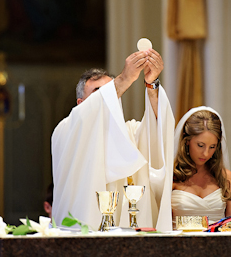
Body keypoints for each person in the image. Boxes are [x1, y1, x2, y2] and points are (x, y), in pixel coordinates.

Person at [52, 49, 174, 231]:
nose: (111, 97)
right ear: (81, 104)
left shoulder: (130, 131)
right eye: (99, 93)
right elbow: (88, 113)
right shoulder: (66, 128)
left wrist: (152, 86)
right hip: (82, 235)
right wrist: (124, 79)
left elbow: (158, 129)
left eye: (112, 92)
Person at [172, 107, 231, 226]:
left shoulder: (225, 177)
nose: (206, 153)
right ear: (186, 140)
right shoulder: (172, 175)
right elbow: (161, 221)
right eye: (200, 145)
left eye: (212, 147)